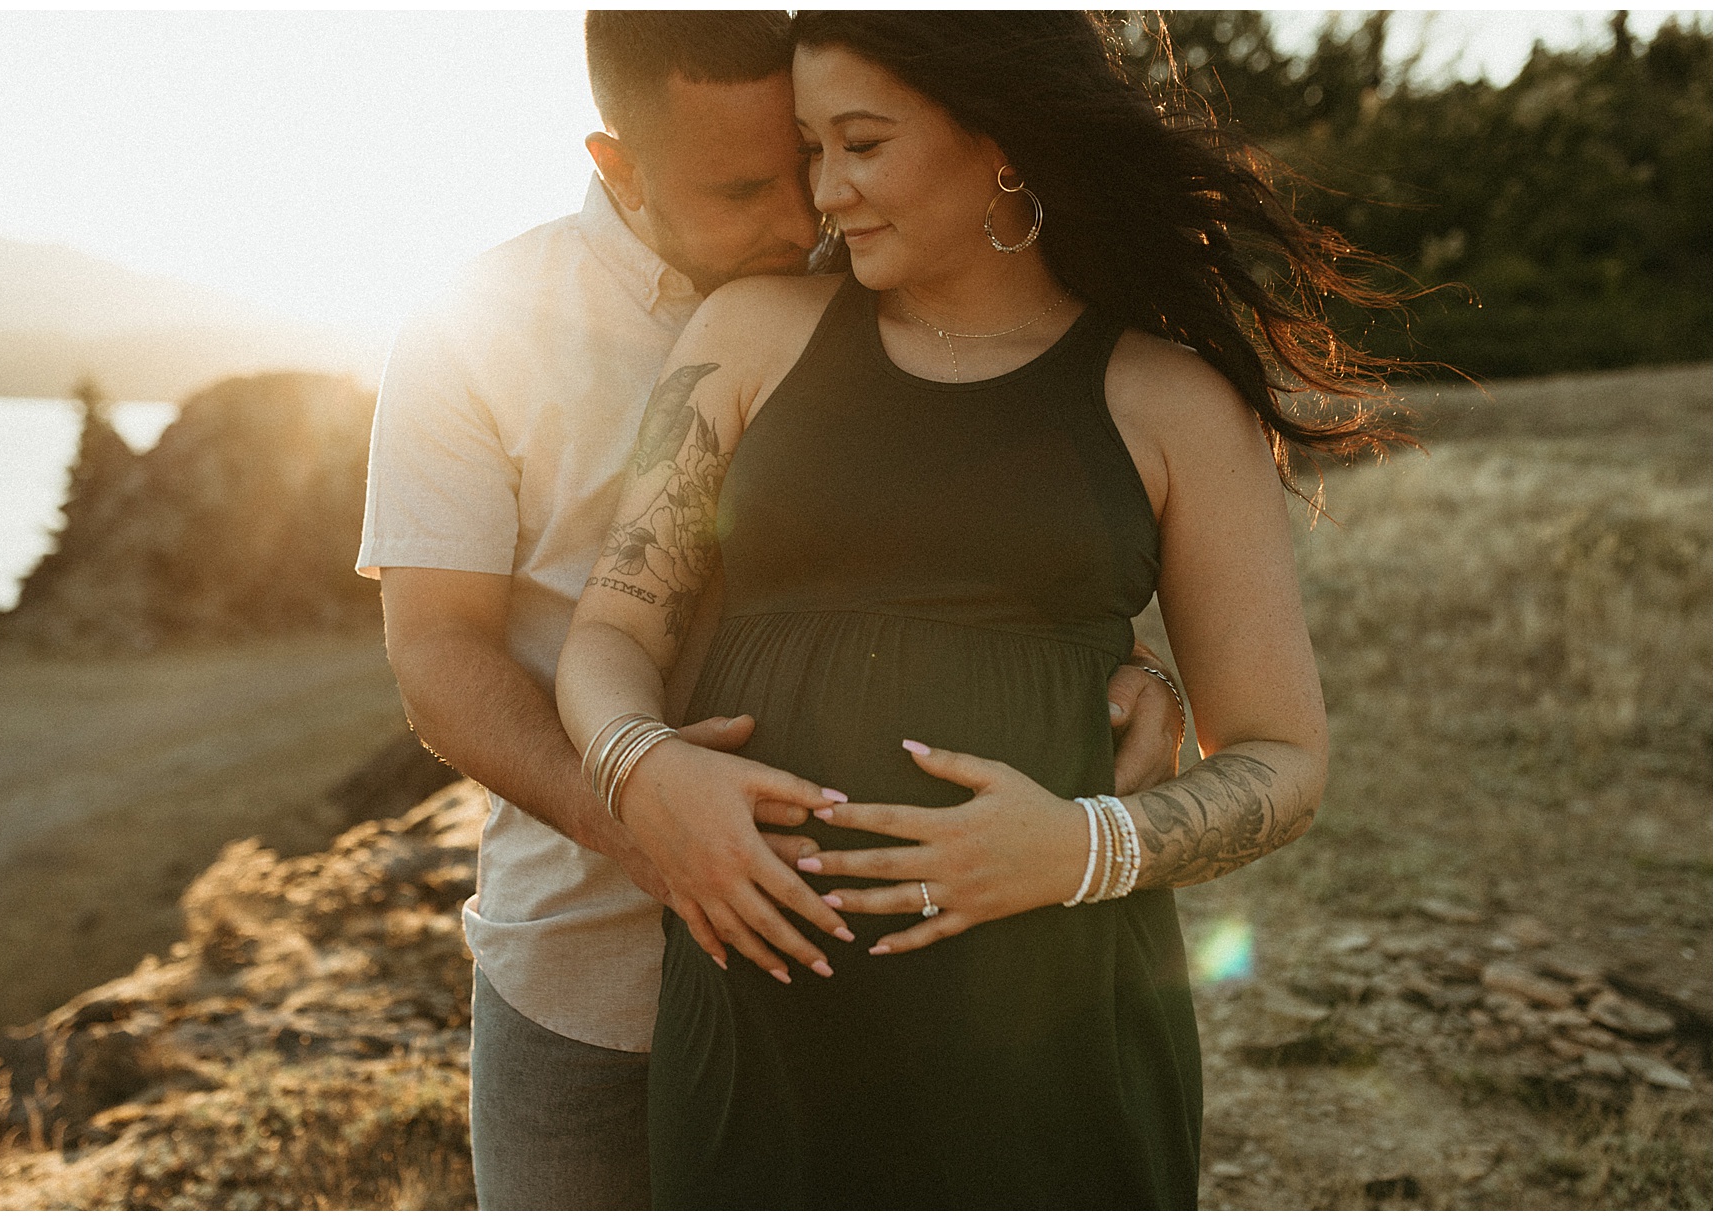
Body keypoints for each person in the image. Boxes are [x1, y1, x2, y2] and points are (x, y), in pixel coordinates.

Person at [555, 10, 1411, 1210]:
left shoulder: (1170, 403)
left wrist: (1083, 847)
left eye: (862, 143)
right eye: (810, 148)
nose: (827, 192)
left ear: (1002, 141)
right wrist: (641, 769)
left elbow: (1285, 761)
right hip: (764, 1015)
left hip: (1048, 1024)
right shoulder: (749, 335)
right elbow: (610, 632)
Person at [357, 11, 1184, 1209]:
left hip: (879, 993)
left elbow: (1016, 517)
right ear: (617, 168)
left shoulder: (880, 261)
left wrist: (1124, 656)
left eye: (808, 160)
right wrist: (641, 813)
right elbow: (436, 657)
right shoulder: (474, 328)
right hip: (585, 977)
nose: (803, 221)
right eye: (746, 187)